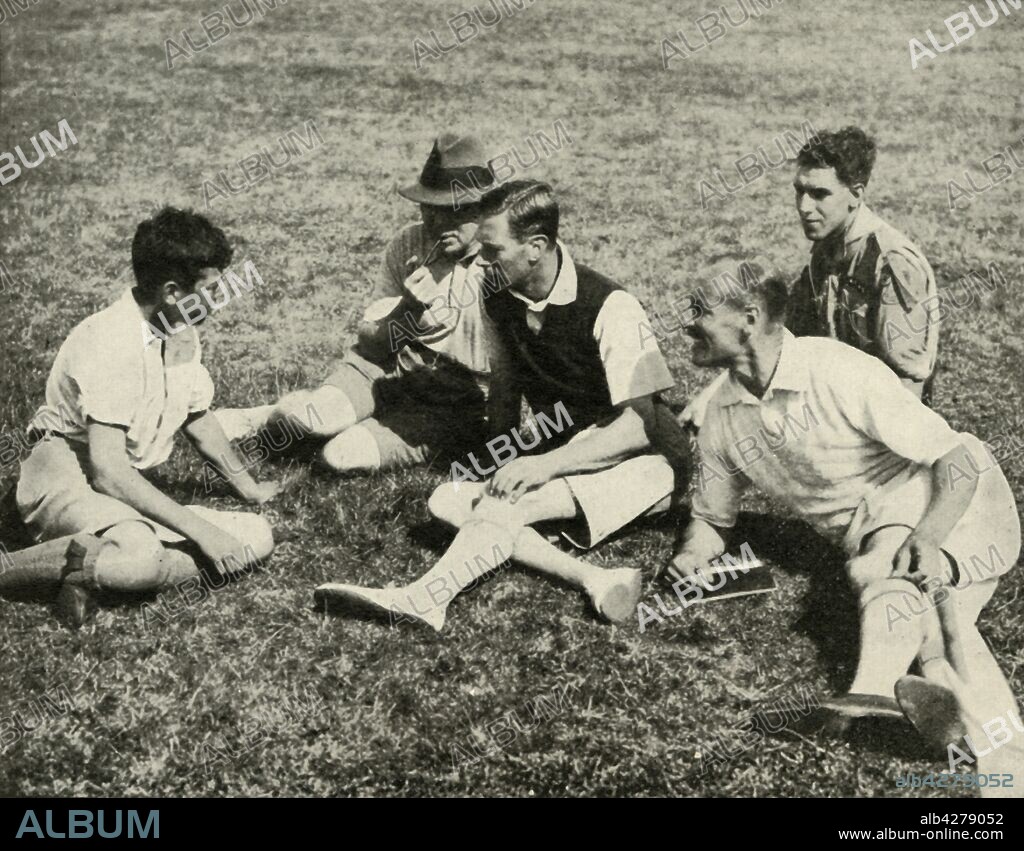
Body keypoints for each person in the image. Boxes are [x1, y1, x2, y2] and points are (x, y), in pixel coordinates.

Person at [666, 268, 1019, 749]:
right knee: (923, 619)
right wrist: (692, 557)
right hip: (877, 528)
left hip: (955, 499)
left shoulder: (836, 369)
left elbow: (954, 457)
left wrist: (931, 535)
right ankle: (960, 721)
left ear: (748, 319)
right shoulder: (722, 416)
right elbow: (711, 518)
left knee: (880, 566)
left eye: (699, 312)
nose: (686, 326)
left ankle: (867, 697)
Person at [315, 180, 690, 628]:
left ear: (536, 247)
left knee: (505, 503)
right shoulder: (498, 294)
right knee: (448, 501)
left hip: (650, 462)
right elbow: (507, 385)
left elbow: (637, 426)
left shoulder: (613, 307)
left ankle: (427, 599)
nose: (481, 263)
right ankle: (594, 577)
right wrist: (501, 456)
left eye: (492, 252)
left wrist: (544, 464)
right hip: (579, 452)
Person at [2, 208, 278, 626]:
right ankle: (34, 567)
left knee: (256, 535)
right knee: (141, 556)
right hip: (64, 473)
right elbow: (109, 472)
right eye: (212, 289)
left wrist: (249, 487)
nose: (221, 301)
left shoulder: (180, 328)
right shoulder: (112, 342)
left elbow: (197, 418)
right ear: (172, 291)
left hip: (110, 482)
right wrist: (203, 533)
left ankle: (88, 569)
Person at [215, 133, 506, 473]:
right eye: (431, 208)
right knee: (313, 421)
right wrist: (409, 309)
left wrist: (498, 446)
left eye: (455, 211)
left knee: (340, 457)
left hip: (455, 401)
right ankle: (270, 415)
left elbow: (516, 370)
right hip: (388, 368)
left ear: (484, 209)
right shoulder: (409, 243)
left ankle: (338, 420)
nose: (439, 223)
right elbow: (373, 343)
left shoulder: (506, 260)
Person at [681, 126, 939, 428]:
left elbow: (908, 386)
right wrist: (711, 396)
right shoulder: (826, 250)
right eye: (799, 191)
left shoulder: (893, 264)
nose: (804, 207)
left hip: (880, 423)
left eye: (819, 194)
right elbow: (783, 337)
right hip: (833, 407)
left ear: (855, 195)